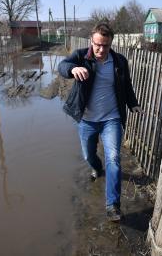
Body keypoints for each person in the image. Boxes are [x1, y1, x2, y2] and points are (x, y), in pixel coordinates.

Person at [58, 22, 142, 222]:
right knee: (89, 156)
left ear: (111, 43)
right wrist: (73, 69)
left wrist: (133, 104)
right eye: (97, 44)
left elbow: (127, 86)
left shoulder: (120, 62)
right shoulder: (81, 56)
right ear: (91, 41)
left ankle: (113, 205)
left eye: (105, 45)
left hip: (111, 119)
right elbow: (62, 66)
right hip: (86, 120)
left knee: (113, 158)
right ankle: (96, 168)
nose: (101, 49)